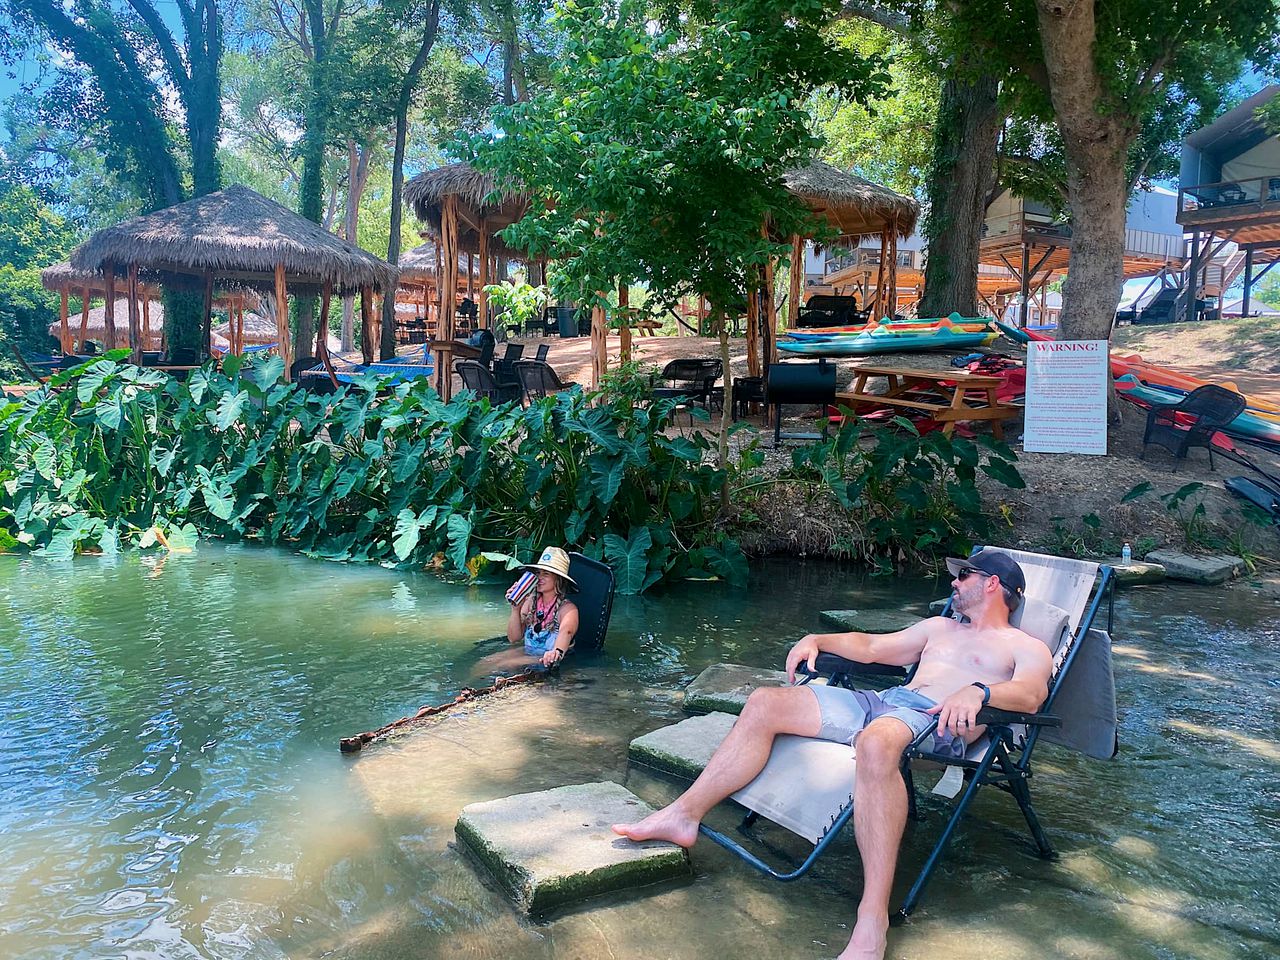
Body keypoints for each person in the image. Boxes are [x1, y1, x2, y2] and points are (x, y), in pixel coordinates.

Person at [612, 550, 1053, 960]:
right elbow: (874, 648)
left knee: (876, 742)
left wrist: (981, 691)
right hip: (888, 701)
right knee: (766, 703)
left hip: (935, 723)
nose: (954, 582)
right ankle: (683, 816)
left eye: (964, 575)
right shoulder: (940, 628)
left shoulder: (1024, 645)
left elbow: (1033, 693)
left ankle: (872, 919)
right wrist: (817, 638)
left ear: (993, 583)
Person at [505, 546, 580, 668]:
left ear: (558, 579)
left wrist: (556, 652)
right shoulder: (531, 602)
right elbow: (514, 638)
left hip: (548, 663)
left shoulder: (568, 609)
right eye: (538, 573)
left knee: (503, 664)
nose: (539, 577)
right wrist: (515, 608)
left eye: (546, 574)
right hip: (528, 655)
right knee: (486, 662)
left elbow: (566, 632)